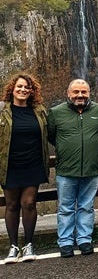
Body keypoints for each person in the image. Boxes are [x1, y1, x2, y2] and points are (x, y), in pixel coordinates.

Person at [47, 79, 98, 257]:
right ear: (68, 93)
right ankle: (65, 242)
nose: (80, 95)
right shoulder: (56, 113)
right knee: (65, 207)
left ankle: (84, 239)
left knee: (86, 206)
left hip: (91, 168)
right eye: (76, 92)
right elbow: (51, 136)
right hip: (66, 169)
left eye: (84, 92)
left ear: (89, 93)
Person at [0, 73, 49, 263]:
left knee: (29, 203)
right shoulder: (3, 111)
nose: (23, 90)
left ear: (32, 91)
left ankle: (28, 244)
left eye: (27, 87)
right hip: (10, 164)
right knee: (11, 205)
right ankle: (13, 246)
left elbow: (50, 133)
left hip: (33, 163)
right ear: (12, 89)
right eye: (19, 86)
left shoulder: (39, 111)